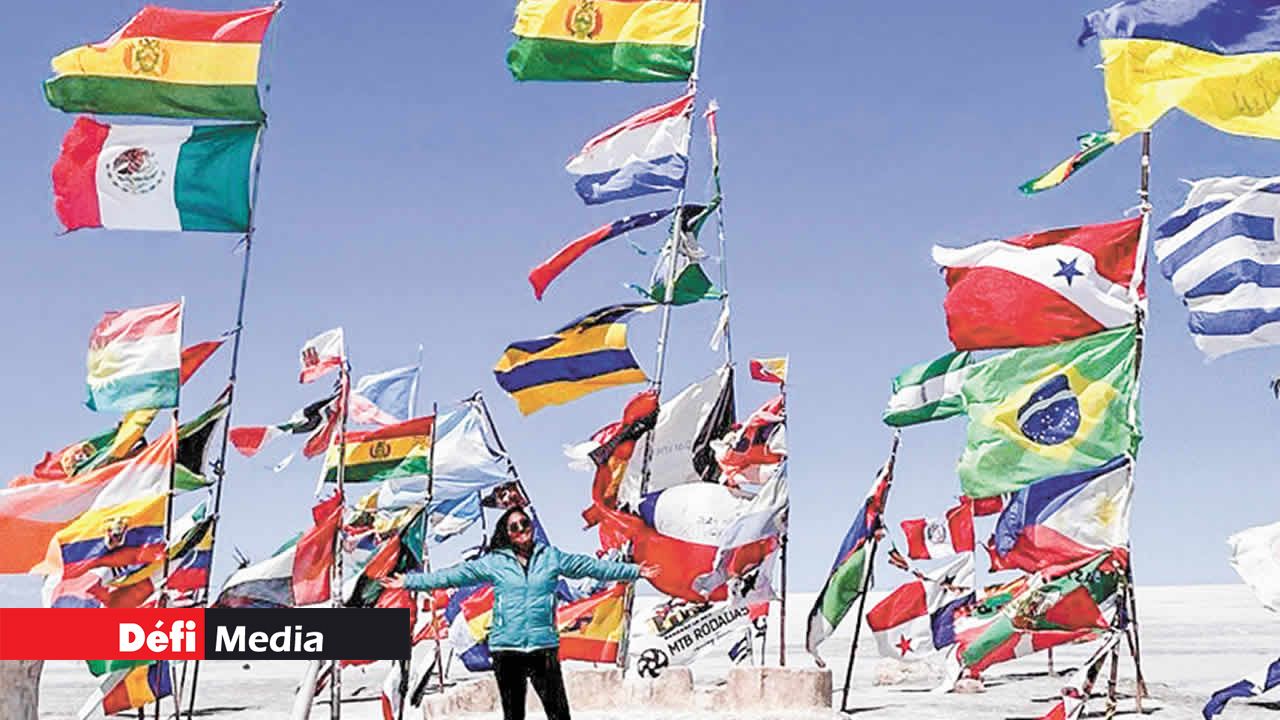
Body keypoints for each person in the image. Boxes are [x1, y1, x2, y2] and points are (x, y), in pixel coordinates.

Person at [381, 506, 657, 720]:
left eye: (525, 523)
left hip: (542, 648)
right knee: (514, 716)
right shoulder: (495, 562)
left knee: (559, 714)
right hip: (507, 650)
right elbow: (453, 576)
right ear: (507, 532)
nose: (521, 528)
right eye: (514, 526)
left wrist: (635, 571)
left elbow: (591, 567)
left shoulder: (551, 557)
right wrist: (408, 582)